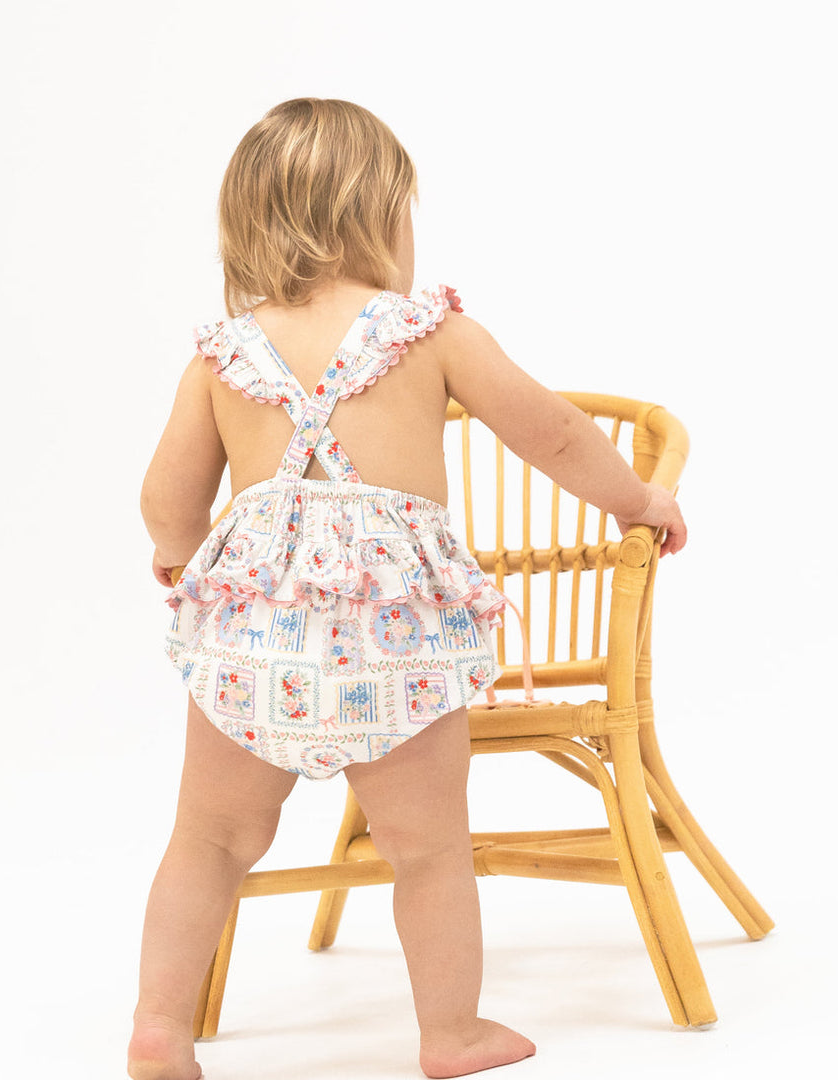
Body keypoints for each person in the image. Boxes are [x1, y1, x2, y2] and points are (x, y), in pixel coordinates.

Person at [128, 98, 686, 1080]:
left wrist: (180, 556)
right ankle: (450, 1032)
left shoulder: (222, 355)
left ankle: (160, 1027)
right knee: (427, 847)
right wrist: (636, 496)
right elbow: (550, 432)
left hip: (254, 639)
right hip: (392, 646)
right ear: (379, 218)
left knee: (209, 838)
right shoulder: (427, 332)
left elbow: (168, 499)